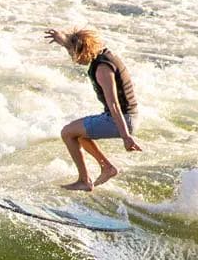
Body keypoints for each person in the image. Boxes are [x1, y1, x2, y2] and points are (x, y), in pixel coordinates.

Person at [44, 27, 142, 191]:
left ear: (84, 51)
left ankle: (84, 180)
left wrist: (126, 137)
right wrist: (63, 40)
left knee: (67, 132)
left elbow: (114, 104)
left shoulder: (103, 69)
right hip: (126, 116)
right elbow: (76, 45)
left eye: (74, 54)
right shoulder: (102, 54)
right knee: (78, 134)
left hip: (122, 119)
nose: (74, 59)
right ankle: (107, 168)